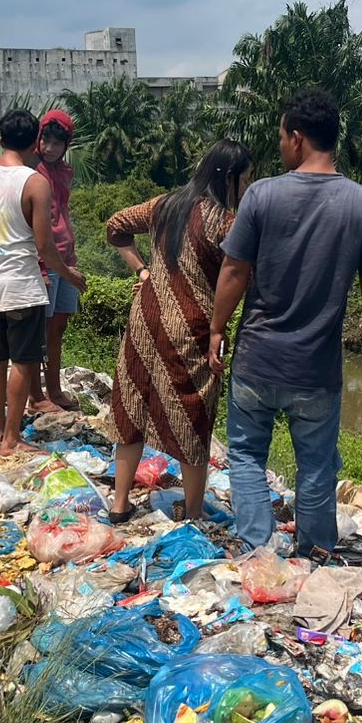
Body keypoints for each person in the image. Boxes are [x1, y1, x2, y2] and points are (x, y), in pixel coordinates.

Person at [208, 88, 362, 560]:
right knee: (315, 467)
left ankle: (258, 550)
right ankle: (315, 552)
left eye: (281, 136)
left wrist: (217, 328)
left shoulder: (261, 195)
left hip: (257, 359)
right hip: (316, 370)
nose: (280, 144)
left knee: (248, 457)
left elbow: (234, 271)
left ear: (296, 138)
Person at [106, 140, 252, 523]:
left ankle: (119, 505)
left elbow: (116, 227)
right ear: (230, 178)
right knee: (194, 413)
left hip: (145, 314)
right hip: (192, 325)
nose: (247, 190)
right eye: (246, 180)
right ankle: (192, 514)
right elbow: (240, 276)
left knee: (133, 403)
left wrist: (142, 269)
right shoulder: (224, 221)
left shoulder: (164, 205)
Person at [0, 109, 84, 454]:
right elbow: (44, 244)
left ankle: (0, 431)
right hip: (22, 285)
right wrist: (69, 274)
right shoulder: (35, 182)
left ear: (0, 139)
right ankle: (13, 440)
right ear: (34, 141)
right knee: (23, 360)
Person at [29, 109, 81, 412]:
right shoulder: (32, 170)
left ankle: (54, 389)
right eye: (45, 141)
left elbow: (63, 214)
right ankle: (36, 396)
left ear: (66, 145)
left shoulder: (64, 172)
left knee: (57, 328)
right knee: (39, 329)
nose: (50, 148)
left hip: (66, 258)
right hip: (43, 261)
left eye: (57, 143)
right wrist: (41, 262)